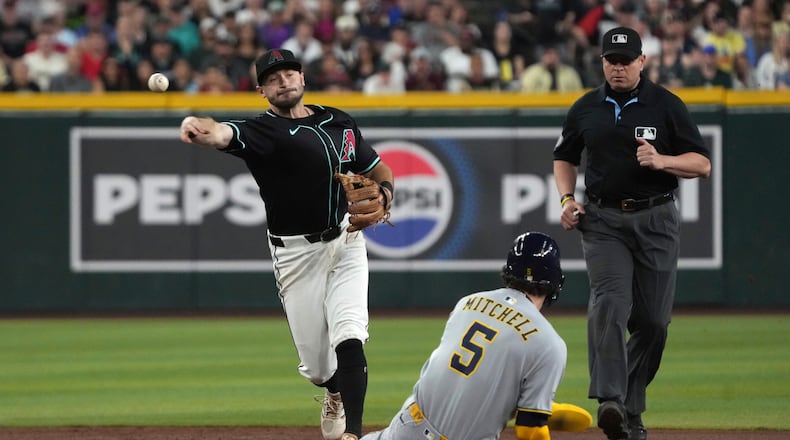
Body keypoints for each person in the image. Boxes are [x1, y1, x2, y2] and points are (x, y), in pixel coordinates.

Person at [179, 49, 394, 440]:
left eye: (288, 72)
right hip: (296, 254)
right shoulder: (264, 133)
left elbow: (377, 168)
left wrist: (387, 193)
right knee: (316, 367)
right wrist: (202, 126)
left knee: (349, 333)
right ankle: (332, 391)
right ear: (262, 90)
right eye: (272, 77)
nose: (282, 80)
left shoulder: (340, 121)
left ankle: (355, 434)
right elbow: (224, 133)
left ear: (302, 78)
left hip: (346, 241)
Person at [553, 26, 711, 440]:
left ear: (642, 61)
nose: (618, 68)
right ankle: (610, 400)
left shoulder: (665, 105)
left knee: (654, 322)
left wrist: (662, 161)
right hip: (603, 221)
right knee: (610, 303)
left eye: (626, 60)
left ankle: (627, 406)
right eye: (611, 60)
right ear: (602, 62)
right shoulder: (586, 107)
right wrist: (567, 199)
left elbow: (702, 164)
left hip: (656, 218)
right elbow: (563, 157)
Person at [361, 231, 592, 440]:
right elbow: (529, 430)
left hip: (406, 427)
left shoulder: (468, 302)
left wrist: (542, 407)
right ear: (554, 282)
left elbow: (466, 377)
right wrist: (535, 413)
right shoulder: (550, 343)